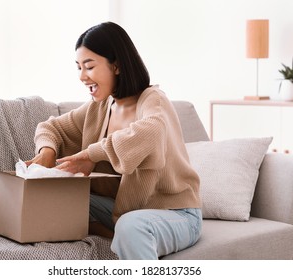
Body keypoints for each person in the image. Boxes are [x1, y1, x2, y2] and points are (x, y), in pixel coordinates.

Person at [26, 21, 202, 260]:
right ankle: (108, 230)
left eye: (89, 66)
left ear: (116, 66)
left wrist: (91, 154)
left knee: (132, 226)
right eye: (78, 67)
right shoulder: (100, 107)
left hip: (176, 214)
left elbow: (150, 132)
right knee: (54, 198)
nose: (81, 76)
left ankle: (115, 231)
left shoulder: (153, 101)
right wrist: (47, 151)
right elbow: (51, 127)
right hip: (126, 210)